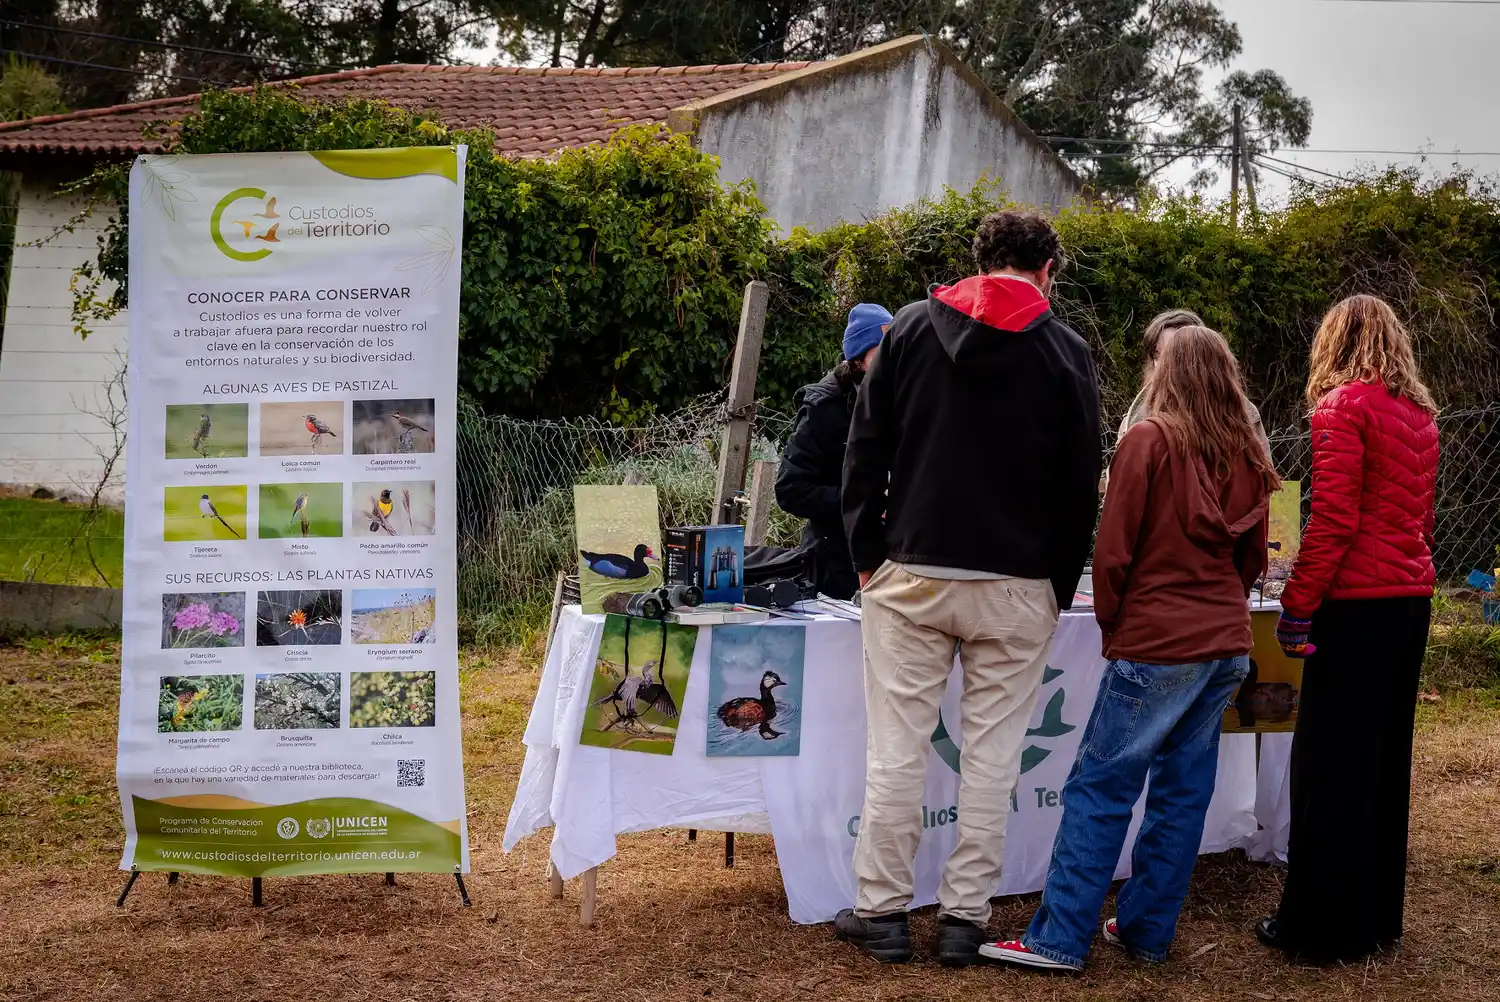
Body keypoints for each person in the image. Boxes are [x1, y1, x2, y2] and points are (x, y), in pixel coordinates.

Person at [835, 210, 1102, 967]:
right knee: (994, 754)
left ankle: (882, 911)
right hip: (1018, 583)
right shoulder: (1065, 350)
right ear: (1047, 270)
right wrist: (1057, 580)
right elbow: (1081, 480)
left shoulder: (912, 331)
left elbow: (863, 450)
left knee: (896, 749)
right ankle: (964, 919)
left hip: (912, 572)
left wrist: (866, 555)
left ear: (977, 261)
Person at [980, 325, 1277, 972]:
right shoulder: (1249, 453)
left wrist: (1117, 628)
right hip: (1224, 644)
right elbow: (1254, 559)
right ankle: (1146, 932)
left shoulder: (1147, 440)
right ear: (1227, 376)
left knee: (1100, 788)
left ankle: (1057, 939)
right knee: (1181, 794)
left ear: (1164, 375)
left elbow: (1111, 552)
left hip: (1158, 641)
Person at [1257, 294, 1439, 961]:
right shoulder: (1419, 414)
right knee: (1383, 761)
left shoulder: (1341, 408)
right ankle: (1373, 917)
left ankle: (1315, 927)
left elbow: (1334, 520)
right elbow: (1418, 520)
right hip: (1409, 599)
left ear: (1334, 341)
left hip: (1358, 603)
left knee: (1330, 764)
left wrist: (1298, 603)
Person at [775, 304, 893, 600]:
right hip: (832, 567)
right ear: (858, 358)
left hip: (890, 561)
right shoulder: (823, 410)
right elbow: (791, 490)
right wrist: (862, 502)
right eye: (883, 351)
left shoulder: (900, 399)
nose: (894, 359)